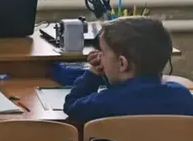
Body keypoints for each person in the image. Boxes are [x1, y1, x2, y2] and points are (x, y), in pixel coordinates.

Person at [63, 16, 193, 124]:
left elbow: (72, 107)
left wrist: (92, 75)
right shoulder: (183, 96)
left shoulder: (104, 102)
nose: (99, 57)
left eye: (102, 52)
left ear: (122, 63)